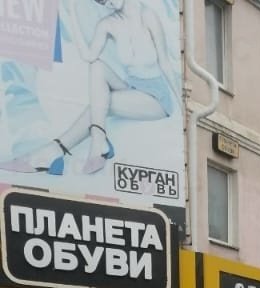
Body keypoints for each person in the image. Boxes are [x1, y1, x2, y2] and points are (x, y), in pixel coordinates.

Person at [0, 0, 180, 178]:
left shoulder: (147, 15)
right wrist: (72, 17)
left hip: (156, 95)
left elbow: (164, 62)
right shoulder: (108, 24)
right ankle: (97, 141)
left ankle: (54, 151)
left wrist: (181, 105)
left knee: (100, 103)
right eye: (103, 2)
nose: (108, 3)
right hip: (131, 87)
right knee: (97, 66)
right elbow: (88, 56)